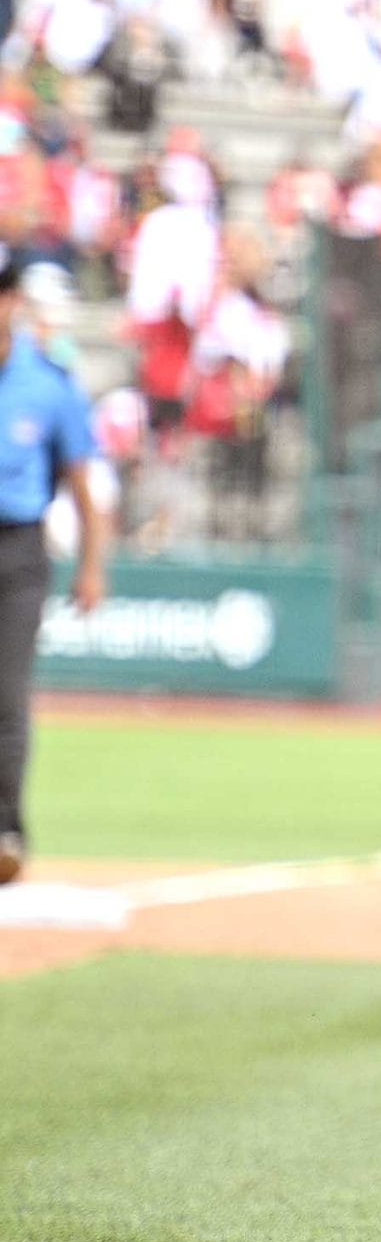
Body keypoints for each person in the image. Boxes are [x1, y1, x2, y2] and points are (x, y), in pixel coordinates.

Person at [0, 254, 109, 885]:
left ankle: (5, 830)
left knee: (5, 695)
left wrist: (92, 566)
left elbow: (82, 484)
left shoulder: (45, 382)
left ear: (12, 300)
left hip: (16, 548)